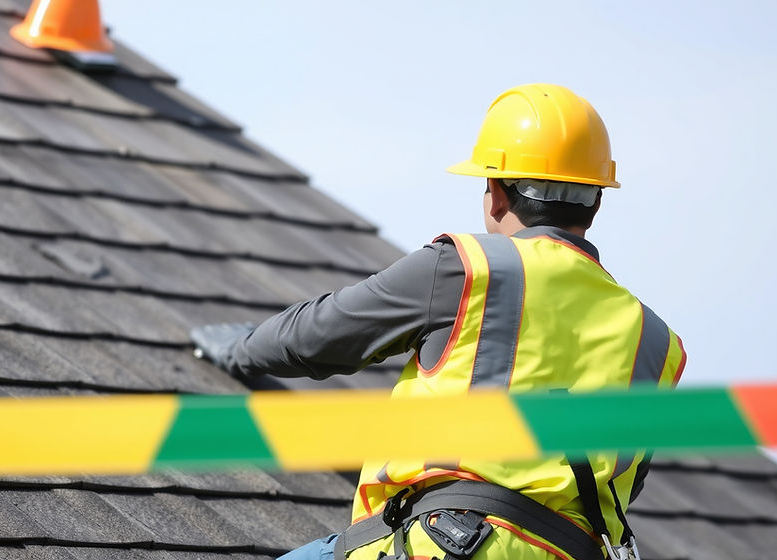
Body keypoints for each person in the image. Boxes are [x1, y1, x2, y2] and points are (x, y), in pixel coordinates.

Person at [191, 83, 686, 560]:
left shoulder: (469, 268)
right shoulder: (656, 341)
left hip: (447, 544)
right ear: (596, 200)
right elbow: (619, 488)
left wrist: (240, 349)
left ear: (494, 192)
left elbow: (320, 336)